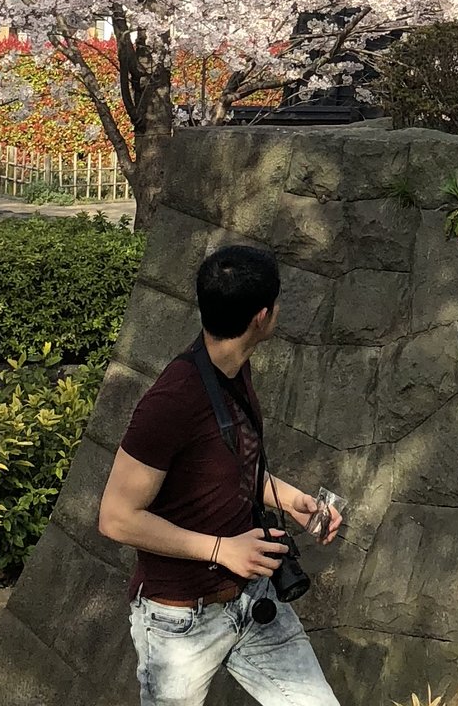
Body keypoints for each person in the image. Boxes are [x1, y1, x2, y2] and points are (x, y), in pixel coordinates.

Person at [97, 242, 346, 706]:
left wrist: (291, 499)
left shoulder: (231, 368)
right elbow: (116, 517)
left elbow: (226, 468)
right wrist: (221, 549)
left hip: (255, 600)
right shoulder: (171, 402)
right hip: (179, 622)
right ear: (262, 317)